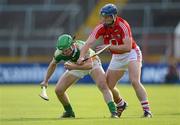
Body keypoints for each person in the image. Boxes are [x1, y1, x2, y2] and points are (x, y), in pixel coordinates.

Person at [77, 3, 152, 118]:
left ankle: (147, 111)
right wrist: (81, 57)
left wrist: (108, 47)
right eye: (103, 16)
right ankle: (121, 104)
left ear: (114, 16)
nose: (105, 19)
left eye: (108, 16)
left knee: (134, 81)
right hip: (117, 57)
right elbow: (88, 43)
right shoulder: (100, 27)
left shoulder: (123, 25)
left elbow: (127, 47)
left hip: (131, 53)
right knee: (108, 86)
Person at [40, 34, 118, 118]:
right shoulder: (59, 53)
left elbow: (89, 66)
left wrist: (73, 67)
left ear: (72, 45)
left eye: (67, 50)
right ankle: (69, 112)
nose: (65, 53)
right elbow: (52, 64)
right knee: (59, 90)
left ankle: (114, 112)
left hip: (92, 62)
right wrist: (46, 80)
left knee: (103, 85)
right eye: (63, 51)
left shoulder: (82, 47)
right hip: (76, 65)